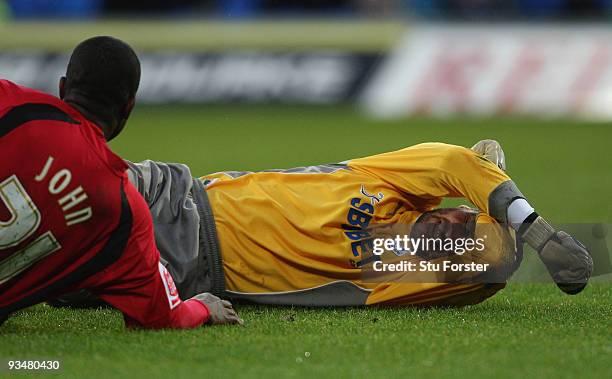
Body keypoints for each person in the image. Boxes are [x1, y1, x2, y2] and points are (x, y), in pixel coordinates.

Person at [62, 139, 587, 308]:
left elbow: (482, 281)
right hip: (181, 192)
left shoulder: (394, 279)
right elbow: (451, 162)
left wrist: (503, 245)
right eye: (465, 220)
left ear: (455, 271)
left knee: (52, 275)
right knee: (66, 179)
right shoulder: (388, 182)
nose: (454, 229)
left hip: (187, 270)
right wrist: (539, 234)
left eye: (463, 246)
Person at [0, 36, 242, 328]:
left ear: (63, 87)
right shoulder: (123, 212)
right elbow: (161, 316)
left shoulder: (12, 102)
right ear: (128, 107)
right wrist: (203, 308)